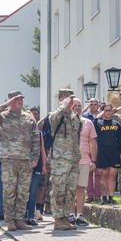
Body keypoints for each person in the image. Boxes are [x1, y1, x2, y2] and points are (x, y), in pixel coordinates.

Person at [0, 91, 40, 231]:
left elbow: (36, 139)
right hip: (9, 160)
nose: (20, 102)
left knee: (23, 192)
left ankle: (19, 219)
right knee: (9, 191)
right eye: (17, 99)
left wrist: (35, 158)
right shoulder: (3, 117)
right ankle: (10, 220)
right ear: (10, 101)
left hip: (25, 160)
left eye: (21, 99)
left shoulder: (29, 118)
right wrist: (4, 105)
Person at [47, 90, 82, 231]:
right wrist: (63, 106)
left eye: (72, 98)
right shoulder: (55, 115)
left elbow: (78, 136)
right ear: (61, 99)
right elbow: (53, 119)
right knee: (58, 189)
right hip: (60, 159)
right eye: (68, 98)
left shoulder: (75, 117)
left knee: (70, 190)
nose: (71, 101)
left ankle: (66, 217)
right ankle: (57, 219)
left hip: (73, 158)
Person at [94, 103, 121, 204]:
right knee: (104, 175)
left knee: (112, 175)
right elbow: (93, 121)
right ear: (103, 112)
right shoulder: (99, 123)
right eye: (106, 110)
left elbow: (120, 140)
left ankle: (111, 197)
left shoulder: (117, 124)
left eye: (110, 110)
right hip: (102, 151)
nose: (108, 112)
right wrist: (100, 114)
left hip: (114, 152)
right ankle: (104, 197)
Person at [24, 106, 47, 225]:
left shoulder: (39, 133)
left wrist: (43, 165)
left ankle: (30, 216)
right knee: (23, 191)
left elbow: (42, 149)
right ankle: (22, 215)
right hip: (24, 166)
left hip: (37, 166)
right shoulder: (22, 132)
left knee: (33, 191)